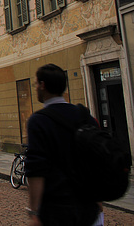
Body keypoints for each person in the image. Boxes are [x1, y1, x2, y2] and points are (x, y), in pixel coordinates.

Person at [25, 64, 100, 225]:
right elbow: (96, 159)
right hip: (87, 206)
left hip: (57, 207)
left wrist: (34, 211)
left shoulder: (39, 121)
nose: (36, 87)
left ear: (43, 85)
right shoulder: (84, 116)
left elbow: (36, 169)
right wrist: (98, 200)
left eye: (36, 84)